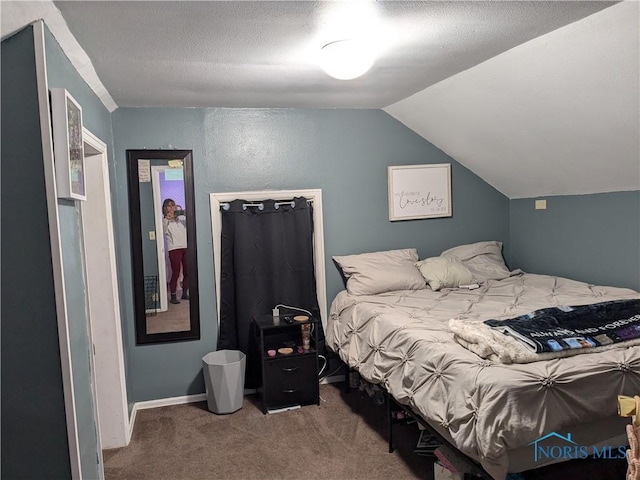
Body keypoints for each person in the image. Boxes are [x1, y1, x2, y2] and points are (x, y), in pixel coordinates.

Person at [162, 198, 188, 304]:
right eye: (169, 205)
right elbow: (162, 231)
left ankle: (185, 293)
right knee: (175, 272)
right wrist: (167, 219)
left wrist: (185, 213)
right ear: (165, 208)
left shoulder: (182, 218)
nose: (171, 207)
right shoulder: (164, 220)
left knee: (188, 272)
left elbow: (190, 225)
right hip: (174, 248)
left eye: (173, 205)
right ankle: (173, 296)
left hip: (186, 247)